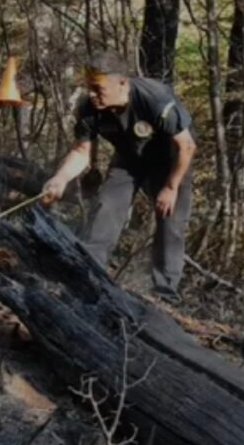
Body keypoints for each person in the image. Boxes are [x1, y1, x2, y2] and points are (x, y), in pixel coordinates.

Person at [42, 51, 197, 303]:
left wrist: (171, 187)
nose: (92, 94)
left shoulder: (154, 99)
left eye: (98, 88)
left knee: (170, 220)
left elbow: (186, 146)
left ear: (122, 83)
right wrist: (60, 179)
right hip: (129, 159)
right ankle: (86, 274)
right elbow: (81, 152)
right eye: (89, 87)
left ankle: (164, 294)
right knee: (106, 206)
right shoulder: (89, 107)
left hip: (170, 160)